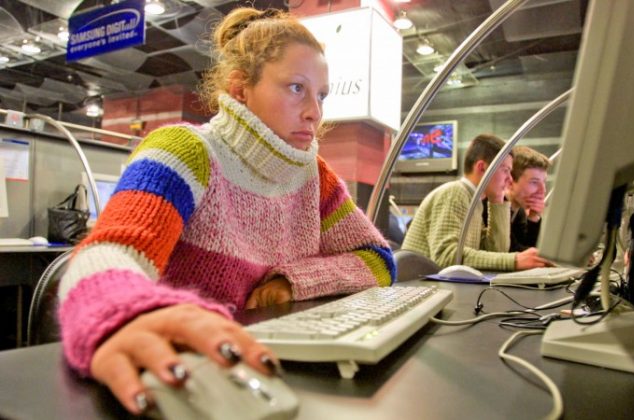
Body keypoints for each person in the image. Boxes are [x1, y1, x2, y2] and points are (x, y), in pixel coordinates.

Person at [57, 8, 395, 415]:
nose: (315, 112)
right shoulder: (186, 150)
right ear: (240, 90)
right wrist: (122, 315)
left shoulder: (314, 176)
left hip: (278, 375)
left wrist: (293, 281)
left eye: (321, 95)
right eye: (295, 88)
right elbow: (107, 252)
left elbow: (377, 260)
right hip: (194, 377)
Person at [401, 134, 549, 270]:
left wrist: (497, 202)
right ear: (482, 167)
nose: (509, 179)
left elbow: (496, 251)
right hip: (419, 290)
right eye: (505, 170)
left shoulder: (475, 201)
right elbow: (446, 257)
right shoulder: (455, 192)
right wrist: (514, 260)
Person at [506, 146, 550, 252]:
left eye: (543, 182)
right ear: (510, 182)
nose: (543, 190)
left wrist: (533, 216)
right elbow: (512, 250)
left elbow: (527, 247)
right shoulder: (493, 207)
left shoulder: (519, 210)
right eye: (534, 182)